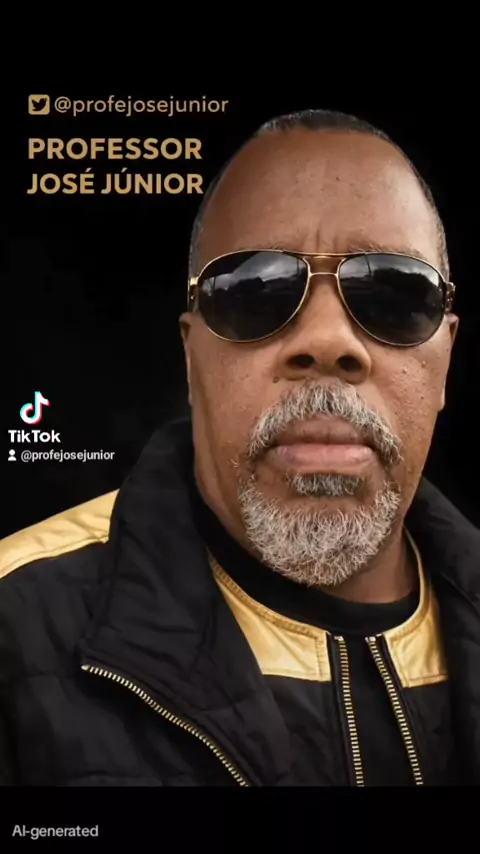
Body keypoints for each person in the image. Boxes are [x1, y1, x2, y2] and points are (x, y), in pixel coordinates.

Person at [1, 109, 478, 788]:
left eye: (395, 294)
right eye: (255, 290)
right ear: (190, 357)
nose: (327, 340)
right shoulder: (14, 627)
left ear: (446, 359)